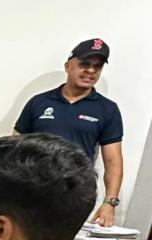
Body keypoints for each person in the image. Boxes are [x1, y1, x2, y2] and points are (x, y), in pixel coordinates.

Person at [14, 38, 123, 227]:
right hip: (32, 189)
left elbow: (113, 161)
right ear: (67, 66)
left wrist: (109, 203)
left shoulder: (107, 110)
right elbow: (16, 148)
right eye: (84, 64)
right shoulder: (39, 103)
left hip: (75, 194)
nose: (90, 71)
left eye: (97, 67)